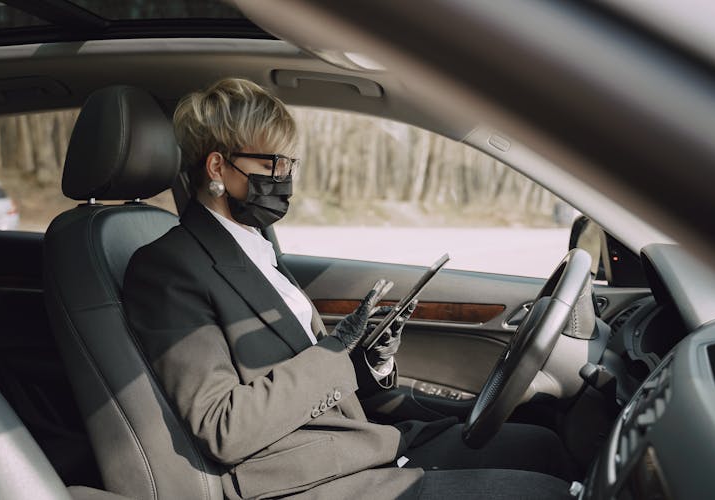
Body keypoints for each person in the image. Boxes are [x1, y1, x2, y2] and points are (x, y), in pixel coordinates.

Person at [123, 78, 572, 499]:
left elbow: (298, 370)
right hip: (309, 477)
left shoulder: (253, 243)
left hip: (355, 442)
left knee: (543, 445)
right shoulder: (169, 267)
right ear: (217, 165)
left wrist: (369, 361)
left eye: (289, 163)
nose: (283, 177)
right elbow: (222, 426)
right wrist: (335, 350)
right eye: (268, 163)